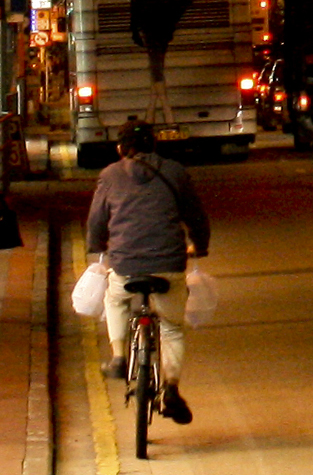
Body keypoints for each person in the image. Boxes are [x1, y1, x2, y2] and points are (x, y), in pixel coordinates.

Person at [85, 120, 210, 426]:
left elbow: (96, 220)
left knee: (114, 300)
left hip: (126, 265)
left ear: (121, 148)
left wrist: (96, 246)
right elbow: (195, 215)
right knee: (171, 328)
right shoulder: (175, 171)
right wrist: (200, 245)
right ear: (155, 145)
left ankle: (117, 358)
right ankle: (170, 388)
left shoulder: (110, 175)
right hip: (169, 263)